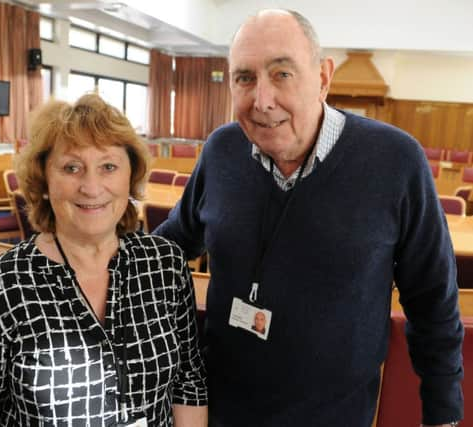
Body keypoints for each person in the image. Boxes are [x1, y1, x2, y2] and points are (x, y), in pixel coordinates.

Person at [154, 9, 463, 427]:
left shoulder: (396, 161)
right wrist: (89, 256)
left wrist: (441, 412)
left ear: (322, 77)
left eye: (282, 74)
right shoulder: (221, 151)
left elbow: (432, 299)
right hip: (221, 409)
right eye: (244, 78)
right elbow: (172, 244)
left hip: (335, 416)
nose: (262, 100)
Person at [0, 94, 208, 426]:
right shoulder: (1, 286)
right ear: (45, 181)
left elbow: (188, 382)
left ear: (130, 176)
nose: (92, 187)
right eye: (71, 167)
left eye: (108, 166)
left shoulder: (166, 265)